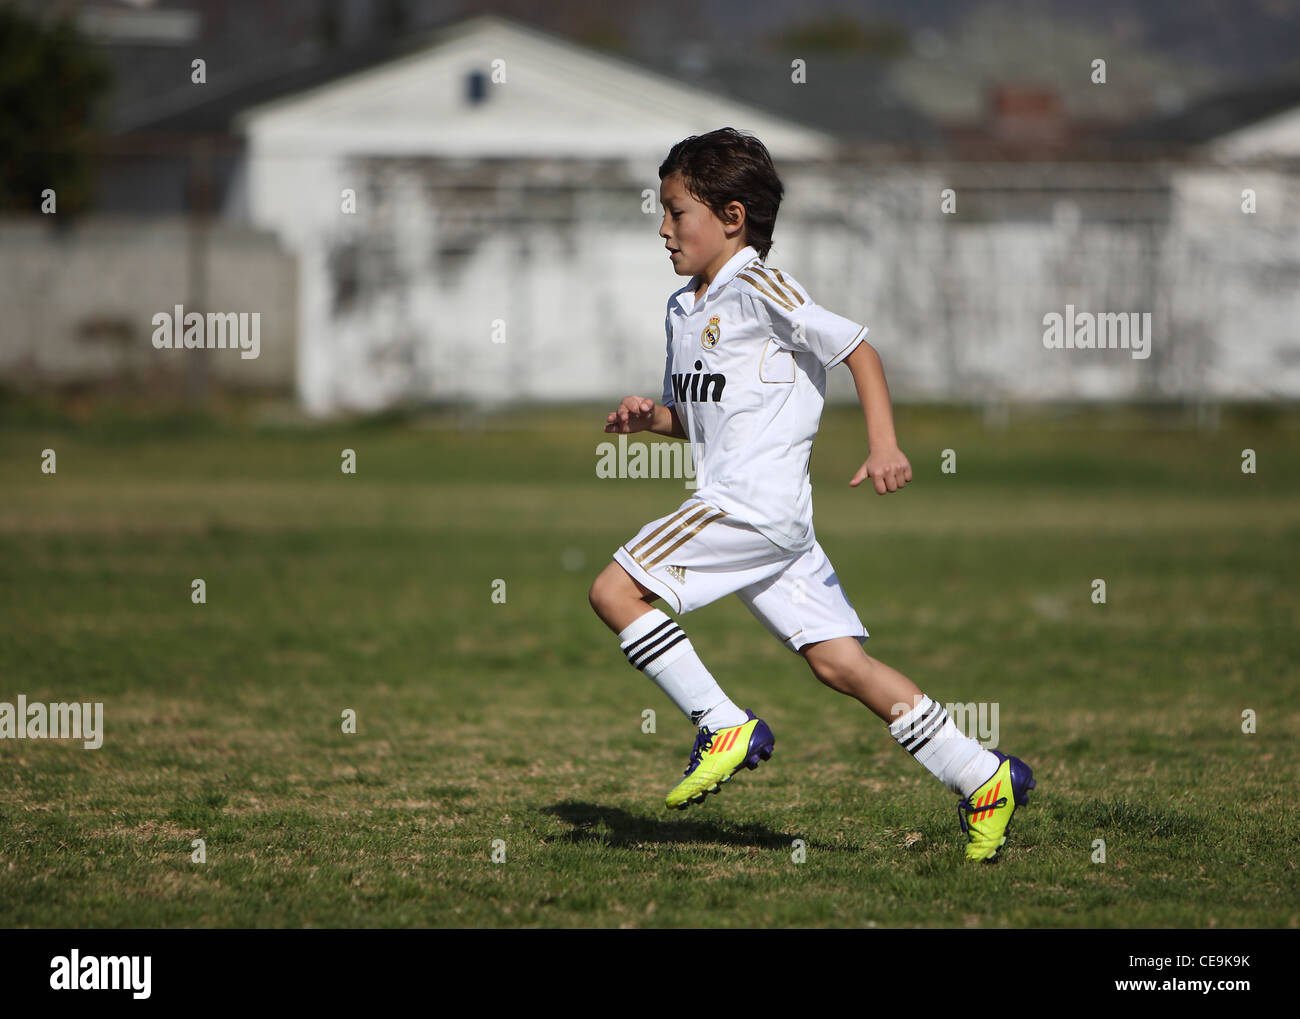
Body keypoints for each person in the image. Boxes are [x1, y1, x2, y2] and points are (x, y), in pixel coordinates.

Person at [587, 128, 1034, 861]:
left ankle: (721, 722)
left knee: (614, 591)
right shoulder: (683, 308)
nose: (663, 229)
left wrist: (884, 443)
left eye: (676, 211)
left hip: (749, 507)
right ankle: (982, 775)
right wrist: (655, 419)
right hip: (768, 521)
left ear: (733, 217)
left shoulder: (761, 285)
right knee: (840, 664)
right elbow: (706, 423)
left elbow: (858, 348)